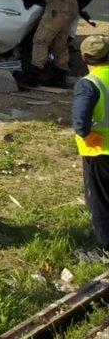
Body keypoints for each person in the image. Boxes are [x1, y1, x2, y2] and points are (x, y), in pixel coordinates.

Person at [73, 35, 109, 252]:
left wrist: (86, 135)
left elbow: (80, 121)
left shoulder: (89, 84)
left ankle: (105, 246)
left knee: (100, 201)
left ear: (84, 56)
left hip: (100, 150)